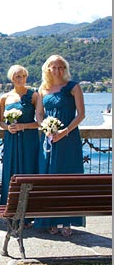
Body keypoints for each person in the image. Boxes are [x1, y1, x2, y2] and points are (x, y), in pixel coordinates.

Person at [35, 55, 86, 237]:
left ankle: (67, 221)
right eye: (53, 67)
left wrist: (64, 132)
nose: (57, 70)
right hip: (49, 141)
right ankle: (51, 219)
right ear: (47, 69)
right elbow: (39, 114)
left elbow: (81, 115)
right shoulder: (42, 89)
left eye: (60, 67)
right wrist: (46, 129)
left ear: (65, 69)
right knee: (49, 179)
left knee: (67, 177)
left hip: (69, 140)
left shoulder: (73, 87)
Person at [0, 65, 43, 205]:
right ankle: (11, 207)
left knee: (29, 169)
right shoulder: (4, 98)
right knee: (11, 172)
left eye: (23, 76)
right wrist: (8, 127)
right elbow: (0, 122)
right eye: (18, 76)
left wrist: (23, 126)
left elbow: (40, 122)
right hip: (11, 139)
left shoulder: (34, 95)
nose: (21, 79)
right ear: (12, 78)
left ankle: (30, 209)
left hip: (29, 139)